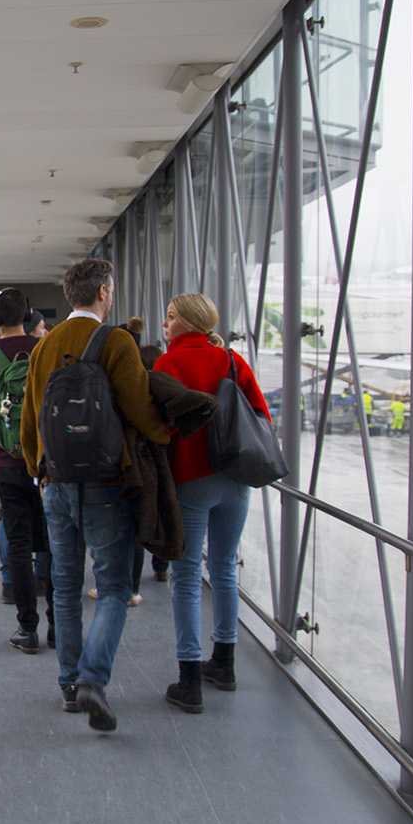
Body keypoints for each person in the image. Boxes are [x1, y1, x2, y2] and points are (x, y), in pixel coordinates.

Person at [20, 258, 169, 731]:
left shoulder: (46, 348)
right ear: (104, 291)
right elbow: (140, 408)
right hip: (105, 481)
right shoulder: (118, 341)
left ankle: (67, 685)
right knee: (113, 586)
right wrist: (165, 438)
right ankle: (92, 679)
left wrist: (39, 471)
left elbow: (29, 420)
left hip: (55, 482)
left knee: (64, 585)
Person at [154, 293, 271, 713]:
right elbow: (261, 416)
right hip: (235, 482)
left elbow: (157, 427)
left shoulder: (167, 365)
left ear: (186, 322)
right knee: (223, 569)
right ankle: (225, 662)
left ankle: (189, 680)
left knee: (185, 579)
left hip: (191, 482)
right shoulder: (232, 362)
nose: (164, 324)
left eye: (170, 317)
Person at [0, 287, 51, 653]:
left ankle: (27, 628)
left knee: (18, 545)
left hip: (8, 465)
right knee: (52, 546)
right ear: (29, 315)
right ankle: (58, 626)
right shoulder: (43, 352)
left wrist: (2, 445)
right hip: (48, 464)